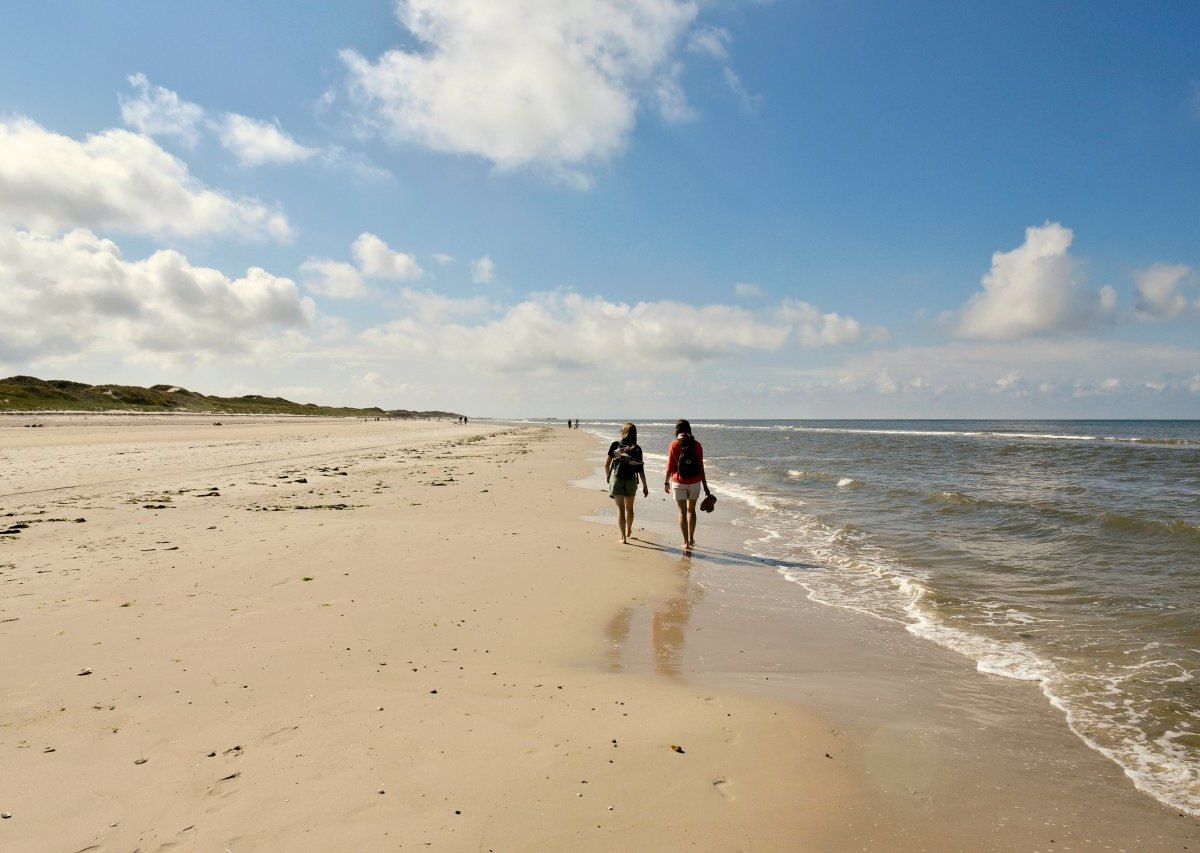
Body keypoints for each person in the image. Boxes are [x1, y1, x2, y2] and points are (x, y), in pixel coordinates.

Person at [664, 418, 710, 552]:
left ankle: (686, 543)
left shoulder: (673, 444)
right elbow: (701, 466)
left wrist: (666, 482)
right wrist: (705, 485)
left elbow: (670, 466)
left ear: (677, 431)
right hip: (695, 482)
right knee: (692, 511)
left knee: (682, 513)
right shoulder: (697, 445)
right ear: (689, 429)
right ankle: (691, 538)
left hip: (678, 482)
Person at [605, 422, 648, 544]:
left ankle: (623, 537)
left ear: (623, 432)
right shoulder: (637, 449)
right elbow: (640, 469)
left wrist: (608, 476)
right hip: (631, 480)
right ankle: (629, 530)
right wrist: (645, 486)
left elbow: (606, 464)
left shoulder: (615, 445)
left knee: (620, 509)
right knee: (629, 508)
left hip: (617, 478)